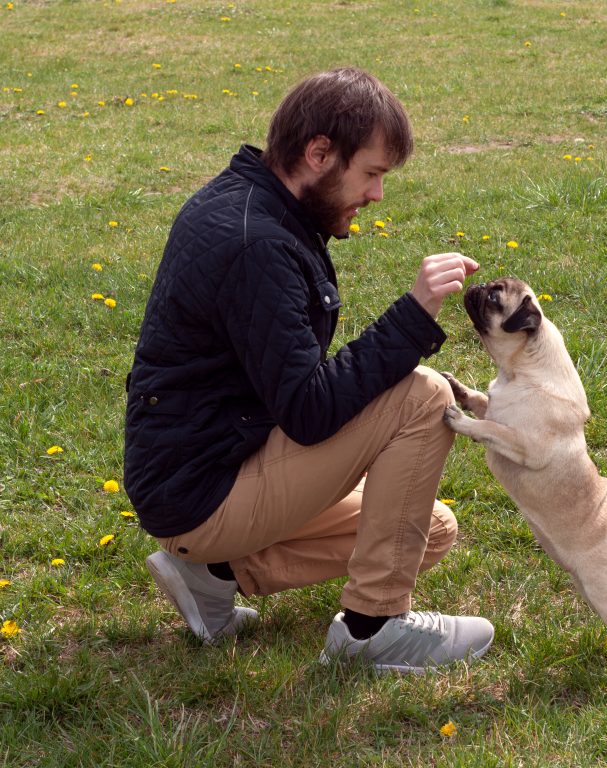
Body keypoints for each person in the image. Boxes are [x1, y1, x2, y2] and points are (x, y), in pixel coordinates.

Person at [124, 67, 494, 673]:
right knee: (422, 397)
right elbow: (310, 411)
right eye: (371, 173)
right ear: (319, 152)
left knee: (430, 528)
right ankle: (372, 628)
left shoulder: (257, 205)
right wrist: (412, 317)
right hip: (202, 491)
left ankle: (214, 574)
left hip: (201, 475)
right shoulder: (257, 243)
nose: (376, 194)